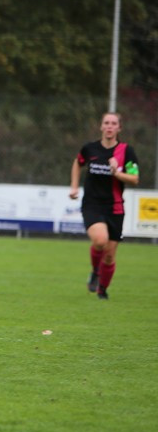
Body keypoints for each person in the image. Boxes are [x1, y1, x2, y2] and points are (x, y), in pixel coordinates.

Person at [69, 112, 140, 299]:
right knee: (100, 240)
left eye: (113, 123)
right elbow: (78, 163)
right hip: (92, 204)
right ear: (101, 127)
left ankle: (102, 290)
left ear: (119, 128)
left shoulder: (126, 151)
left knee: (109, 255)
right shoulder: (89, 149)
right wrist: (74, 186)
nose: (109, 126)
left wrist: (117, 173)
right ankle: (95, 271)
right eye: (106, 123)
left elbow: (134, 178)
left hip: (115, 207)